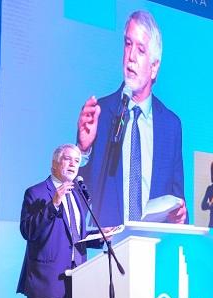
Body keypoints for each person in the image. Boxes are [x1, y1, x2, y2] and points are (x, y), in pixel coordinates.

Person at [76, 10, 186, 227]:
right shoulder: (100, 114)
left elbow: (177, 202)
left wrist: (179, 216)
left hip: (153, 252)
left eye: (141, 49)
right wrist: (83, 150)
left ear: (154, 67)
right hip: (109, 253)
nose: (131, 57)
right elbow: (79, 200)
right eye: (128, 44)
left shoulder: (171, 126)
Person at [17, 144, 103, 298]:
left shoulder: (78, 196)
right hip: (47, 284)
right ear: (55, 163)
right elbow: (28, 231)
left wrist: (99, 236)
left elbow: (73, 235)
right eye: (68, 159)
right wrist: (53, 203)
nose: (74, 164)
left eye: (77, 160)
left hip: (76, 283)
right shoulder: (36, 193)